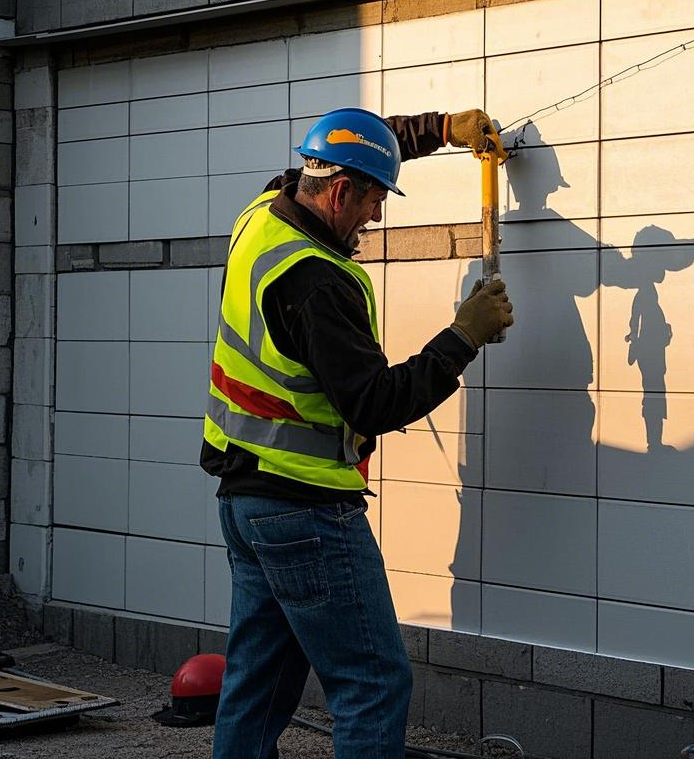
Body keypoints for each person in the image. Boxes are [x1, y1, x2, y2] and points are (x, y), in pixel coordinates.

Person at [202, 106, 514, 759]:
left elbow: (354, 143)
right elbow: (374, 403)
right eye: (374, 200)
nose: (375, 216)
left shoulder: (265, 211)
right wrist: (464, 335)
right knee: (372, 679)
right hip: (305, 512)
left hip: (248, 501)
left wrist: (442, 130)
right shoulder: (317, 283)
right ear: (341, 192)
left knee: (257, 688)